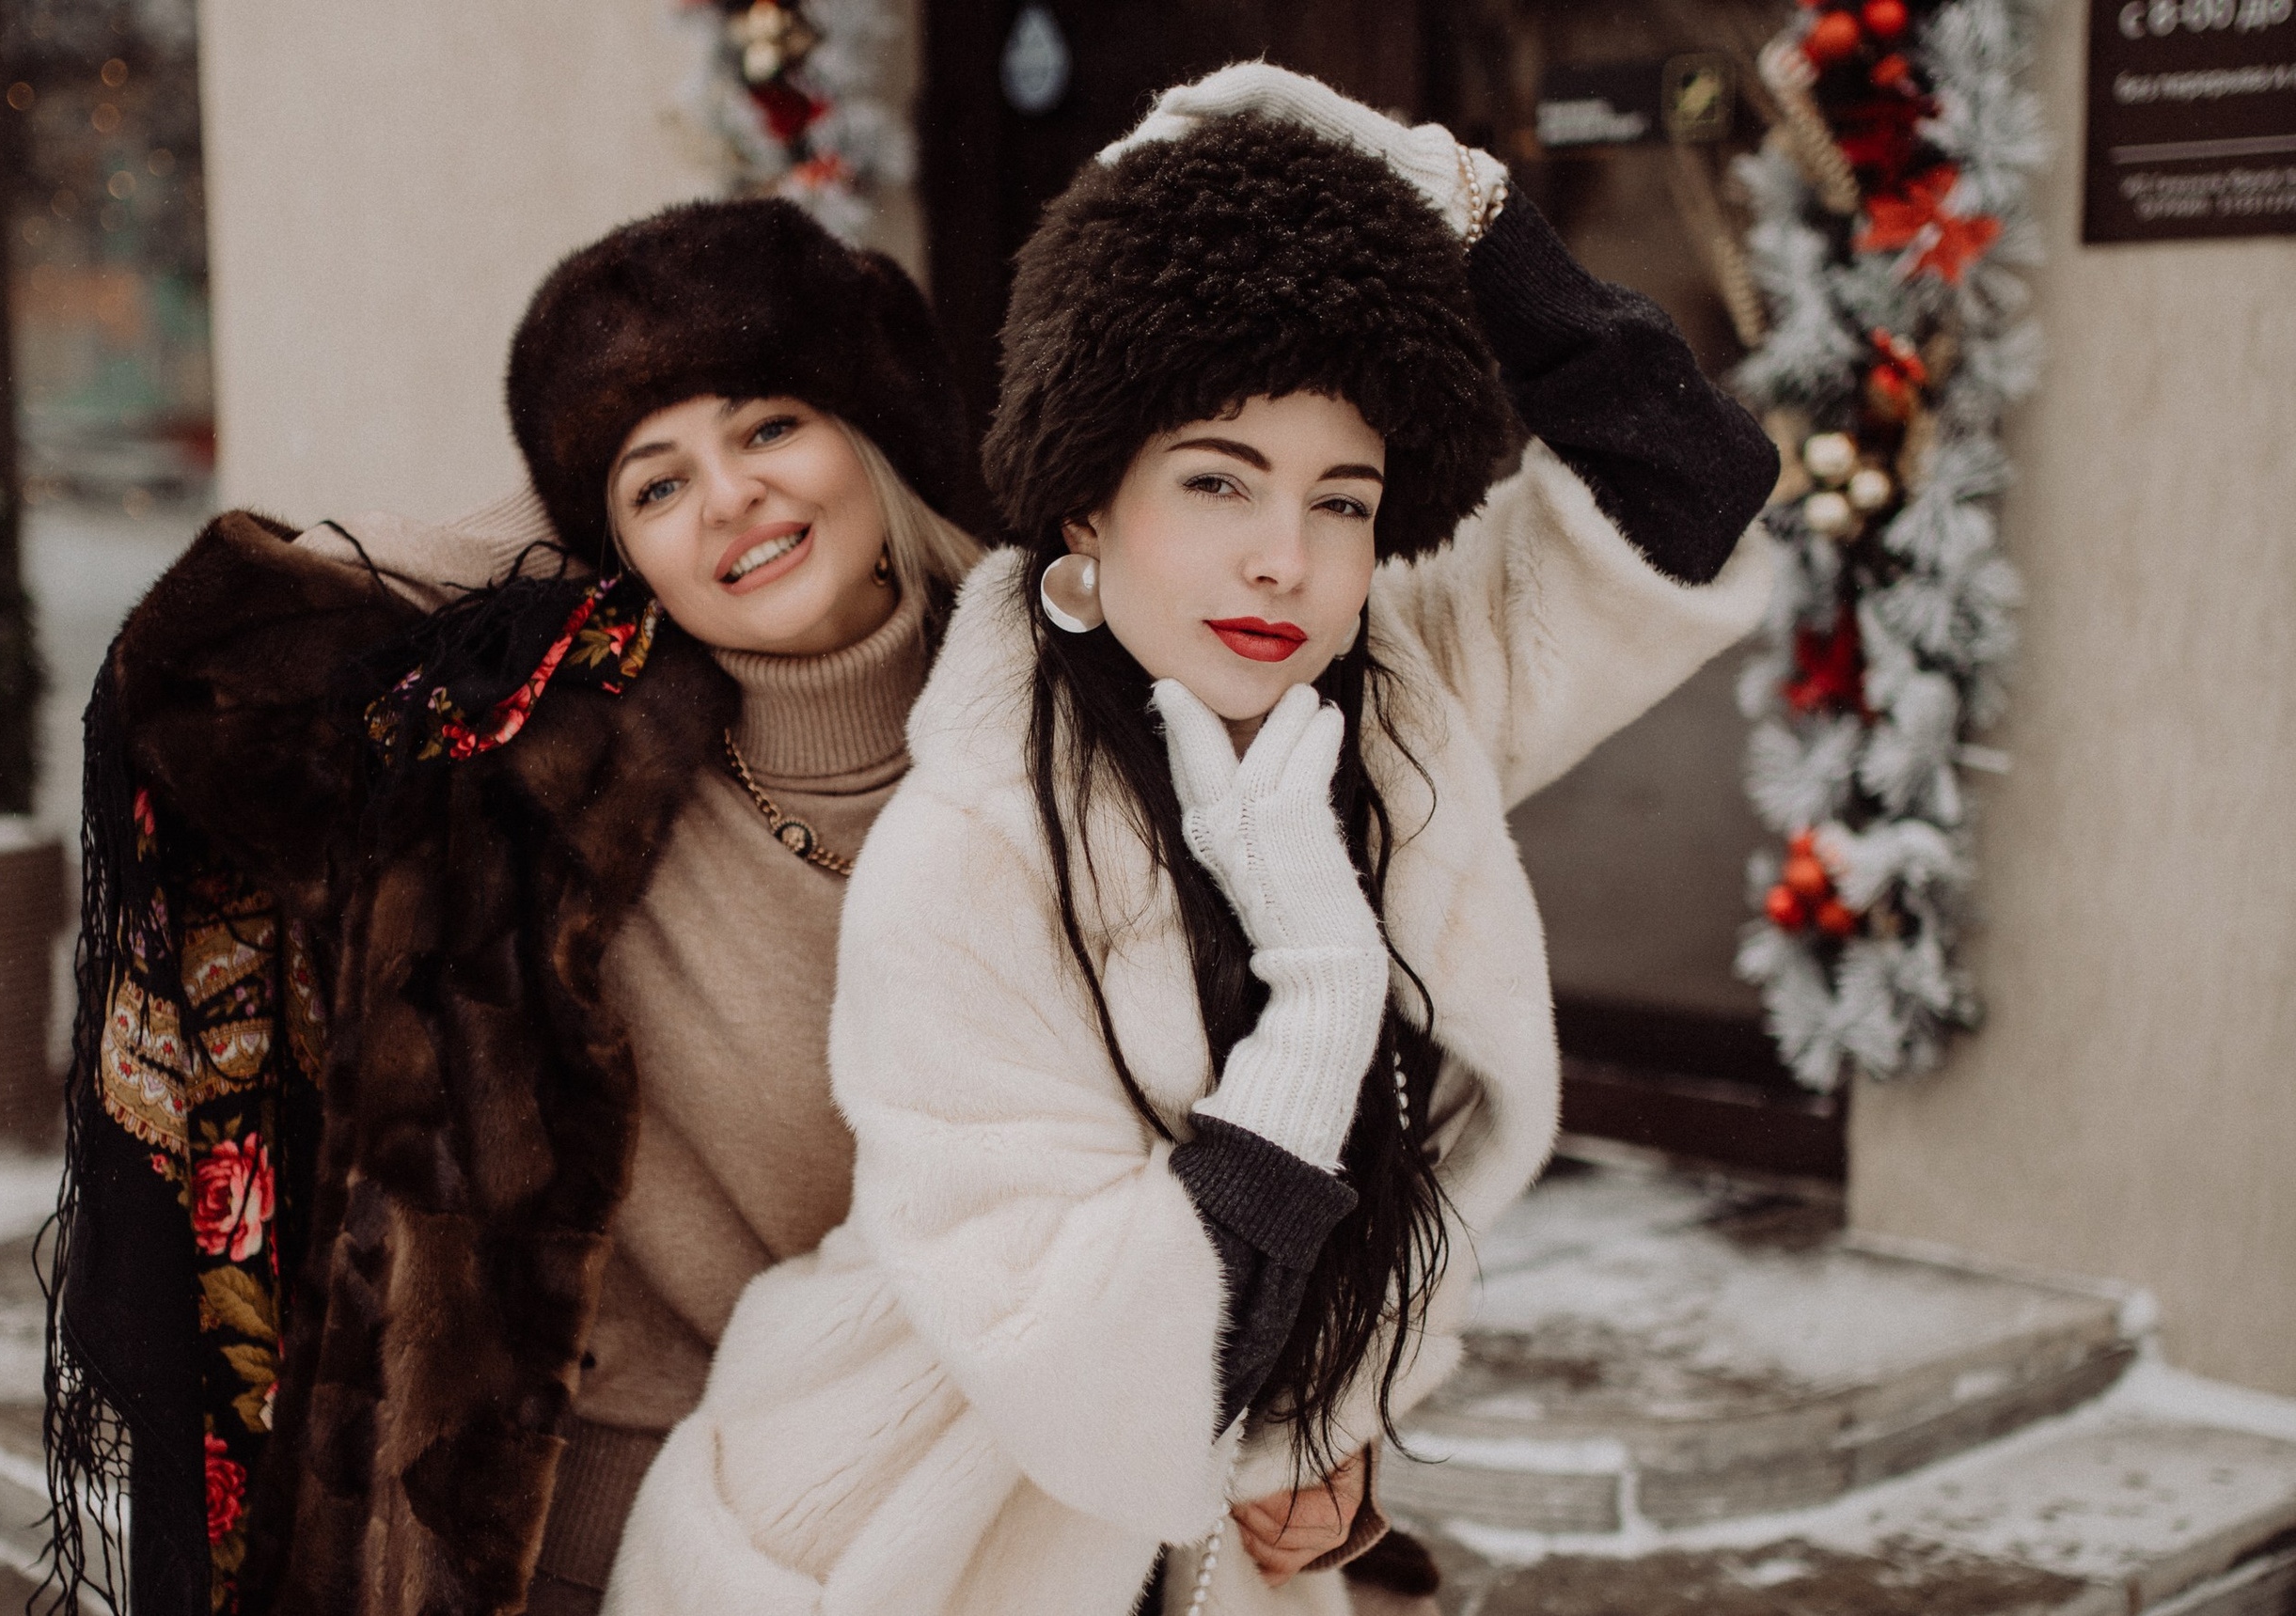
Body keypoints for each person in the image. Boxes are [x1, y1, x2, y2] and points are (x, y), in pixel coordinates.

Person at [602, 67, 1781, 1616]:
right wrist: (1318, 991)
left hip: (1205, 1550)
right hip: (905, 1537)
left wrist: (1462, 209)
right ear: (1087, 504)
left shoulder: (1398, 709)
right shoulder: (969, 854)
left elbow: (1689, 488)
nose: (1282, 559)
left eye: (1341, 500)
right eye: (1217, 480)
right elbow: (1114, 1371)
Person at [43, 198, 983, 1616]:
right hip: (598, 1537)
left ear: (876, 432)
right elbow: (201, 668)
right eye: (655, 483)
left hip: (968, 1519)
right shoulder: (548, 780)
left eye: (769, 426)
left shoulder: (1060, 739)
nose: (727, 497)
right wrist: (552, 531)